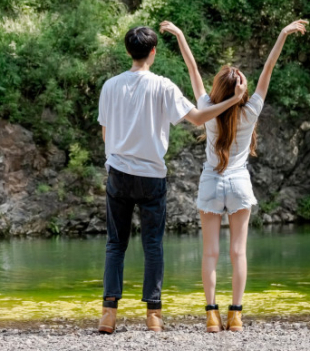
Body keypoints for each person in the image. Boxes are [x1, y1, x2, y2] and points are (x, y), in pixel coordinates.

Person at [159, 19, 308, 332]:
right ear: (241, 90)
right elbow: (268, 69)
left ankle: (212, 315)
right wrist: (282, 34)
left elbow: (193, 71)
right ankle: (235, 315)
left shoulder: (207, 108)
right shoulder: (250, 110)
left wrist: (181, 36)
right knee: (238, 251)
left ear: (219, 89)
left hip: (210, 183)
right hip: (239, 183)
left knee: (210, 253)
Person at [96, 26, 247, 334]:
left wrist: (113, 161)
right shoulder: (163, 86)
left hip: (119, 173)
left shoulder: (110, 86)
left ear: (128, 51)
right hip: (151, 175)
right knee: (153, 244)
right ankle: (153, 316)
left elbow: (105, 131)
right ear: (153, 52)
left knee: (115, 244)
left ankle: (108, 315)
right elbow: (199, 118)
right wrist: (234, 101)